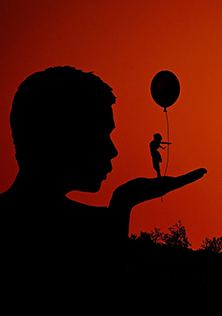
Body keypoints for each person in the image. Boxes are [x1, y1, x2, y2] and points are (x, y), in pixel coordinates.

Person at [0, 66, 206, 308]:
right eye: (100, 134)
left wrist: (123, 203)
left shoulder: (95, 224)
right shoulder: (92, 229)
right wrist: (122, 205)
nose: (113, 150)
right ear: (62, 135)